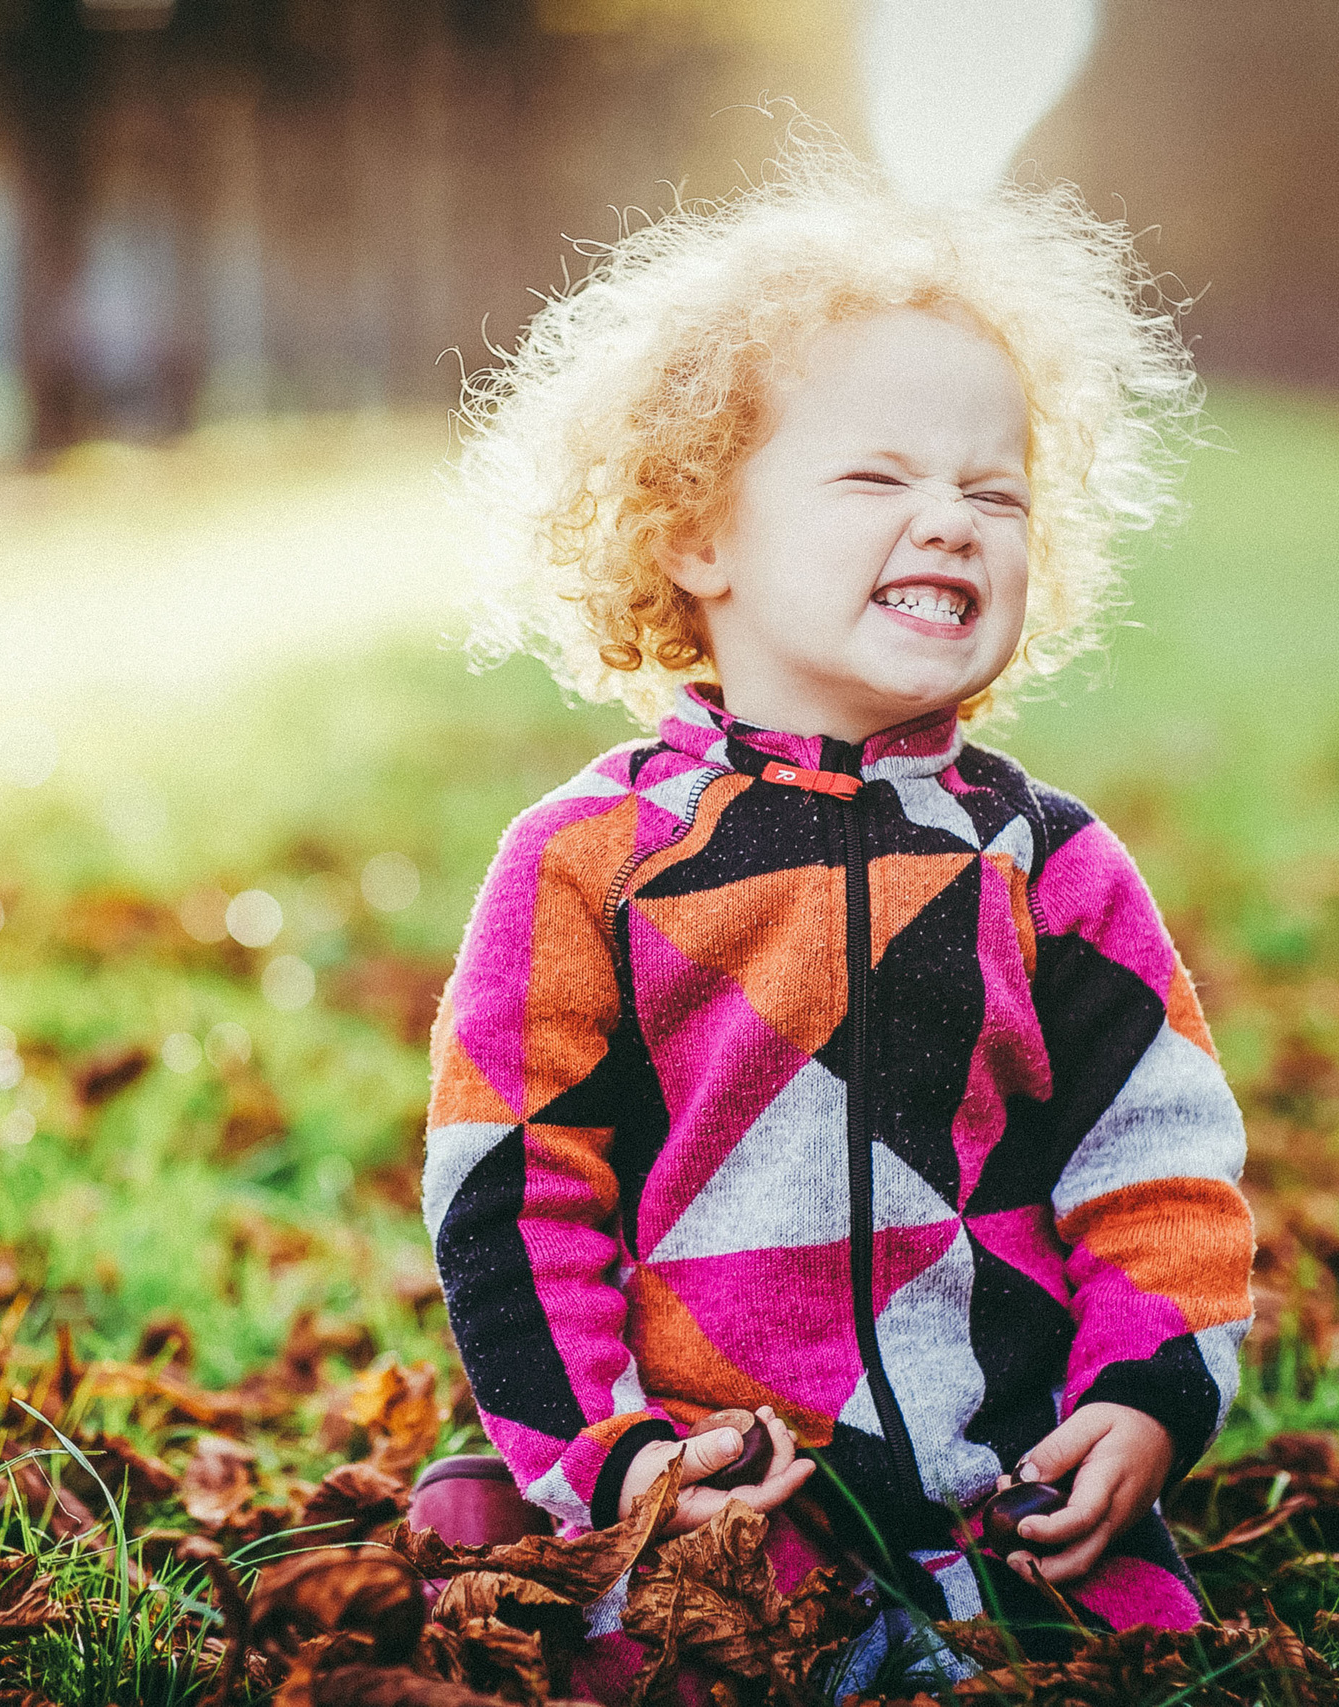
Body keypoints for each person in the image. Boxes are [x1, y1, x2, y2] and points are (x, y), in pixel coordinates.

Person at [421, 135, 1253, 1689]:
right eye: (878, 476)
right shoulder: (590, 862)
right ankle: (502, 1494)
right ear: (694, 532)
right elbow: (510, 1202)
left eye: (993, 494)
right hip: (714, 1502)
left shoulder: (1044, 862)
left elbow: (1159, 1158)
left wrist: (1150, 1396)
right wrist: (609, 1461)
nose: (950, 521)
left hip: (1013, 1511)